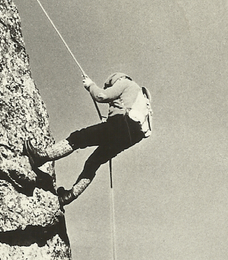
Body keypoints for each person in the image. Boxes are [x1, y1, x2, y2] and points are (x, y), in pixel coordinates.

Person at [24, 72, 150, 207]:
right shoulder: (138, 95)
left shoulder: (125, 83)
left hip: (119, 125)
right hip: (129, 136)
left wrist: (90, 86)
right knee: (93, 163)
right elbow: (122, 108)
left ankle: (42, 156)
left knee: (78, 138)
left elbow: (102, 96)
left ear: (116, 80)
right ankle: (68, 196)